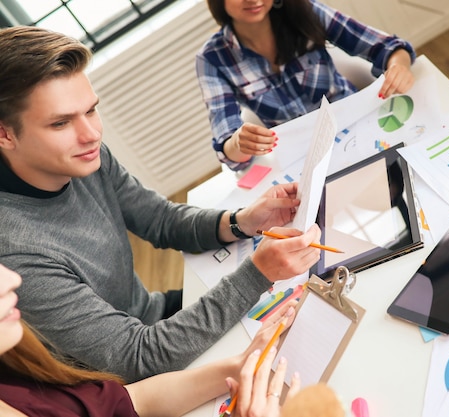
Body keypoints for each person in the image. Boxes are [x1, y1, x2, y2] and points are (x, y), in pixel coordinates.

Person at [0, 25, 322, 383]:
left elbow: (161, 220)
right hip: (131, 381)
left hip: (154, 319)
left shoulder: (83, 156)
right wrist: (257, 275)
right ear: (4, 133)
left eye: (91, 110)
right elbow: (137, 357)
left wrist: (242, 220)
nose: (91, 134)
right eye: (61, 123)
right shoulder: (15, 255)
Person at [0, 263, 304, 416]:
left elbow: (132, 401)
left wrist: (239, 366)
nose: (13, 279)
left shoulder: (14, 384)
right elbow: (138, 356)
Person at [196, 0, 417, 171]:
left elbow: (388, 47)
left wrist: (398, 66)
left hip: (362, 127)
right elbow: (228, 143)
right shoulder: (212, 59)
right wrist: (238, 144)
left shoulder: (305, 11)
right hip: (304, 157)